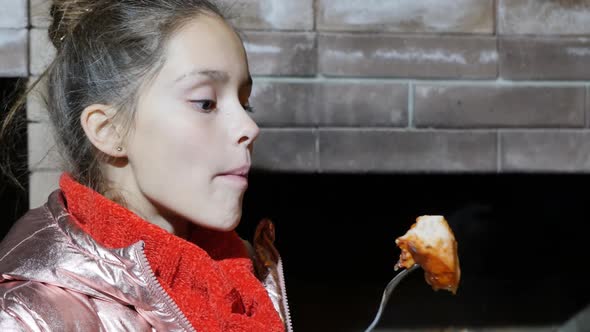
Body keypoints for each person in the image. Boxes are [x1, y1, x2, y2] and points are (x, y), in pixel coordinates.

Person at [0, 0, 291, 331]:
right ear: (108, 130)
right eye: (206, 103)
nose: (249, 128)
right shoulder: (28, 317)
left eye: (244, 103)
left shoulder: (244, 277)